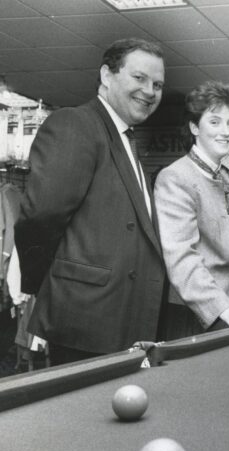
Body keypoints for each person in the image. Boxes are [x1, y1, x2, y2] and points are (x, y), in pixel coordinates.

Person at [14, 38, 167, 365]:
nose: (150, 91)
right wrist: (56, 287)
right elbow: (40, 216)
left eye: (157, 84)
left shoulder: (125, 139)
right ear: (106, 75)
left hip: (119, 321)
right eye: (139, 78)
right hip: (84, 320)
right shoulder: (76, 124)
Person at [154, 81, 229, 339]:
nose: (226, 131)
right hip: (198, 309)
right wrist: (222, 307)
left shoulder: (223, 171)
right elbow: (180, 256)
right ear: (194, 127)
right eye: (215, 122)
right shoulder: (175, 177)